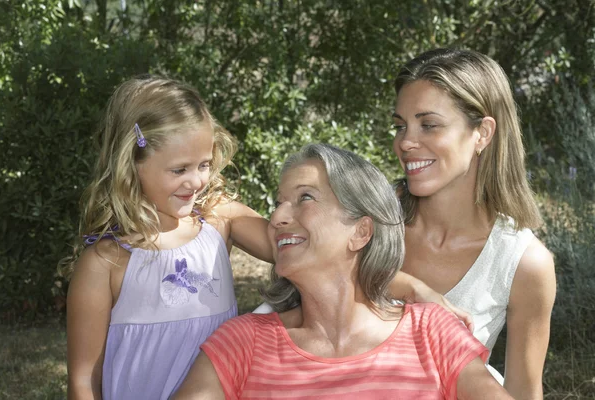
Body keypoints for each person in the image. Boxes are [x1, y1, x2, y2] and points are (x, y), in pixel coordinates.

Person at [172, 143, 512, 400]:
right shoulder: (241, 342)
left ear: (361, 232)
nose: (277, 218)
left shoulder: (433, 333)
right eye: (278, 203)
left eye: (305, 197)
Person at [61, 75, 273, 400]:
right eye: (179, 170)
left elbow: (289, 249)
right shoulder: (106, 263)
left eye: (204, 164)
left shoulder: (218, 220)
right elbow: (83, 383)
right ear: (132, 163)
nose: (197, 181)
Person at [391, 48, 556, 398]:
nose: (405, 142)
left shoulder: (523, 263)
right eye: (400, 125)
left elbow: (524, 392)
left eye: (429, 125)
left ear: (482, 133)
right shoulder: (371, 216)